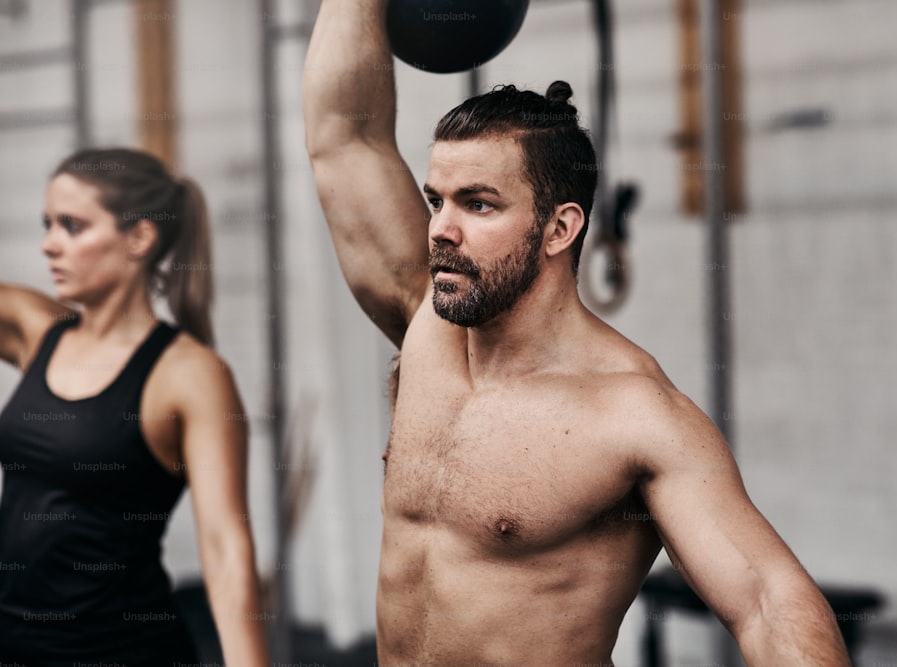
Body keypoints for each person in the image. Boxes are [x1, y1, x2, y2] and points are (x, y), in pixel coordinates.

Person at [303, 1, 851, 665]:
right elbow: (346, 138)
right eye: (435, 200)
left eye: (478, 203)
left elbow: (768, 599)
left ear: (560, 228)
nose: (441, 229)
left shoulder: (634, 416)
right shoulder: (430, 332)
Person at [0, 148, 269, 666]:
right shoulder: (38, 333)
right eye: (47, 224)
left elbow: (225, 548)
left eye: (72, 226)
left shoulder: (189, 375)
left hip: (120, 650)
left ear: (140, 238)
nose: (48, 245)